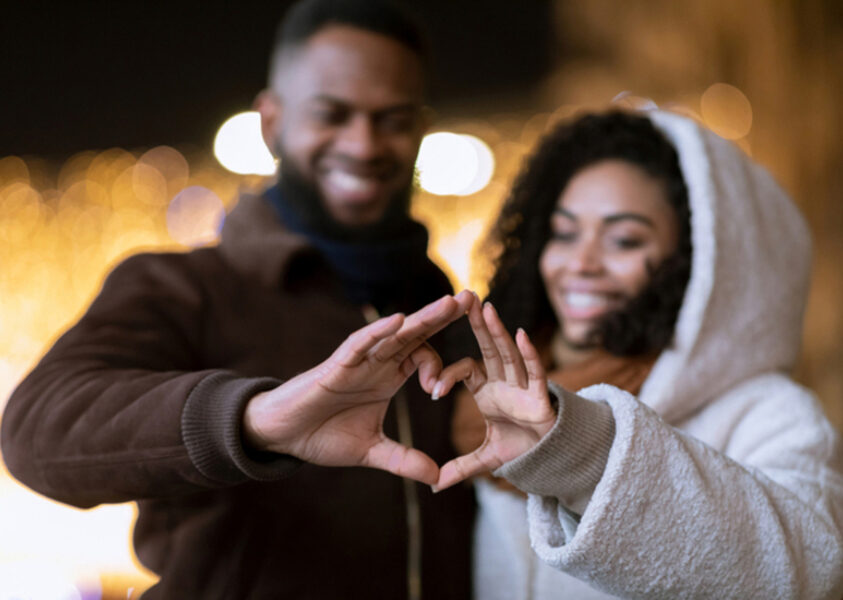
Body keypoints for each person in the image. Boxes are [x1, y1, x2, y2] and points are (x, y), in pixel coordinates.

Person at [0, 1, 476, 598]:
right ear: (271, 123)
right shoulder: (184, 287)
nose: (365, 143)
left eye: (394, 119)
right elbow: (36, 430)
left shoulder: (445, 312)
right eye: (332, 115)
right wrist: (254, 421)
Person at [431, 110, 843, 598]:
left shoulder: (770, 412)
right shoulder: (489, 402)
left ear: (694, 263)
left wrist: (582, 456)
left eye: (624, 239)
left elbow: (807, 573)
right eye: (563, 233)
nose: (580, 263)